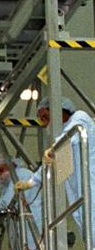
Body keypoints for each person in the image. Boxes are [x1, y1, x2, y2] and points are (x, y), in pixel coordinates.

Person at [34, 94, 95, 240]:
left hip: (91, 187)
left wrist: (54, 149)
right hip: (79, 195)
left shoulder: (80, 118)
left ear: (59, 110)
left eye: (45, 117)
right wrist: (32, 181)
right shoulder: (61, 138)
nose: (45, 123)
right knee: (88, 231)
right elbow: (54, 165)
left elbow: (72, 138)